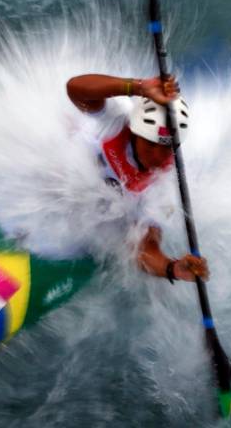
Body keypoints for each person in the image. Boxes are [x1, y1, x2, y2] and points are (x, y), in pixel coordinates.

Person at [66, 73, 209, 284]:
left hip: (94, 206)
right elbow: (75, 87)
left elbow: (145, 246)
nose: (159, 156)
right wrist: (138, 87)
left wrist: (172, 269)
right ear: (134, 131)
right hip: (62, 172)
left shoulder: (164, 185)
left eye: (168, 147)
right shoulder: (116, 119)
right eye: (152, 144)